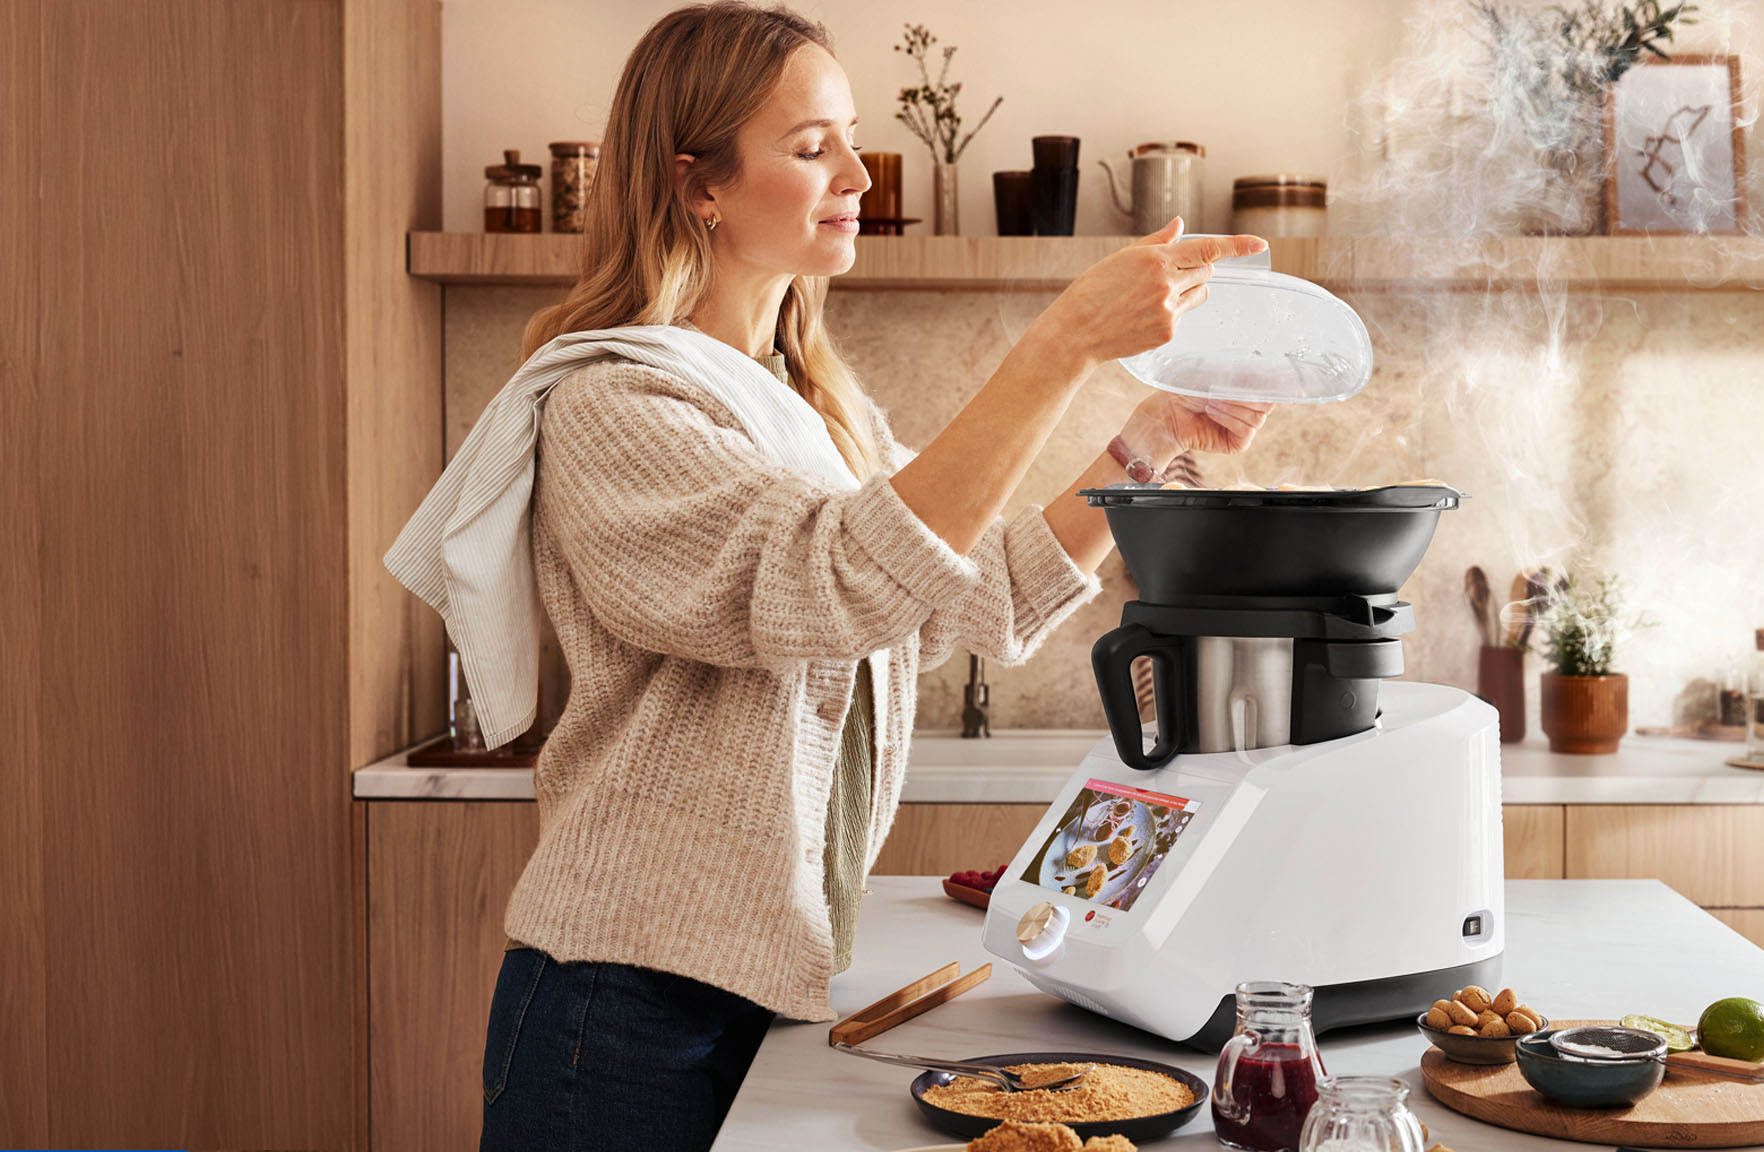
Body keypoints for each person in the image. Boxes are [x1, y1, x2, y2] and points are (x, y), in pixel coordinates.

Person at [441, 4, 1273, 1149]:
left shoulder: (811, 409)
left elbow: (963, 594)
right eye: (809, 145)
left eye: (850, 137)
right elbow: (829, 587)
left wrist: (1153, 442)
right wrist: (1059, 343)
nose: (854, 174)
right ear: (698, 186)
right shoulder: (614, 405)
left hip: (759, 980)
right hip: (621, 1004)